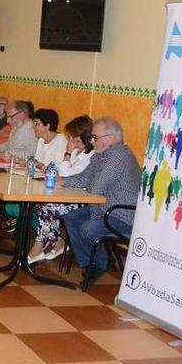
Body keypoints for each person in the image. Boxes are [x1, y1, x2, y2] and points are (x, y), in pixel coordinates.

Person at [60, 117, 140, 285]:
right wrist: (62, 181)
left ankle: (99, 263)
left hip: (122, 215)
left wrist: (89, 183)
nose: (91, 141)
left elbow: (95, 188)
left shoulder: (119, 156)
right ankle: (92, 263)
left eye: (95, 137)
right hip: (102, 208)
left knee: (87, 229)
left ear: (109, 139)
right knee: (70, 218)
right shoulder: (100, 156)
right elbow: (83, 179)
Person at [27, 115, 94, 263]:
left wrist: (68, 153)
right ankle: (58, 243)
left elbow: (66, 175)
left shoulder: (91, 157)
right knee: (40, 204)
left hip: (81, 201)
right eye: (72, 140)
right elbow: (60, 172)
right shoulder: (78, 152)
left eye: (77, 140)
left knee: (46, 207)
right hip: (66, 195)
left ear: (87, 138)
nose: (73, 144)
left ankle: (38, 247)